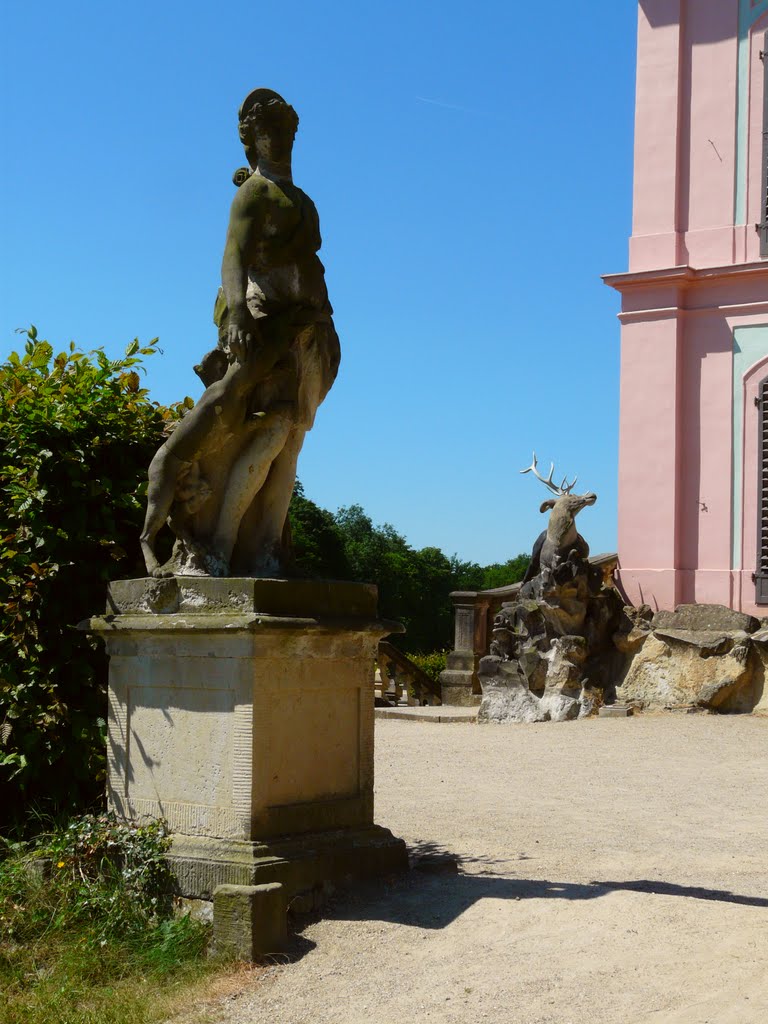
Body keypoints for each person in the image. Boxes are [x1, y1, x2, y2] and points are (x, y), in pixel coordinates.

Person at [140, 89, 339, 577]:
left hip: (307, 329)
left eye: (288, 132)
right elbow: (234, 255)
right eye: (272, 132)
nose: (283, 140)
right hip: (267, 321)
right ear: (253, 140)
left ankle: (268, 552)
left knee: (290, 439)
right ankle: (222, 547)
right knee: (272, 429)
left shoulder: (302, 199)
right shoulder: (254, 192)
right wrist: (236, 315)